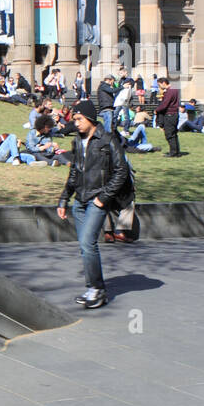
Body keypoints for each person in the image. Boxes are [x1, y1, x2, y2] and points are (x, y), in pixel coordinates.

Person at [56, 100, 130, 309]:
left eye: (79, 119)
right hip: (79, 200)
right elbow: (74, 173)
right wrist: (64, 199)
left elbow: (121, 171)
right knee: (85, 245)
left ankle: (97, 289)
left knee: (87, 242)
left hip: (96, 201)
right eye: (74, 120)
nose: (76, 124)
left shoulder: (107, 140)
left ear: (89, 118)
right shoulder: (77, 142)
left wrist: (102, 198)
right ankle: (93, 288)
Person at [154, 76, 183, 157]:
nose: (159, 87)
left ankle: (173, 152)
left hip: (170, 115)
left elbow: (164, 104)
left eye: (159, 85)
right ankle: (177, 152)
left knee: (169, 134)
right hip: (175, 114)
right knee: (174, 134)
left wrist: (157, 110)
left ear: (164, 83)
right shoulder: (175, 90)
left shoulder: (169, 92)